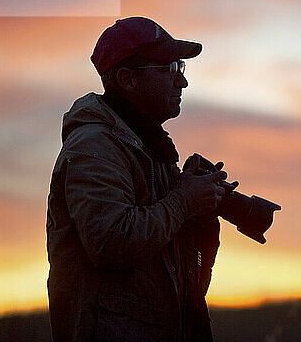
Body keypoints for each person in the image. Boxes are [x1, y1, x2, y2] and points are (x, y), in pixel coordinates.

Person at [46, 17, 231, 341]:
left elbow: (181, 278)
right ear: (127, 79)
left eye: (181, 69)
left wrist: (199, 210)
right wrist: (184, 200)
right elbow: (110, 242)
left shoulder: (146, 148)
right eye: (170, 68)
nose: (182, 83)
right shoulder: (94, 147)